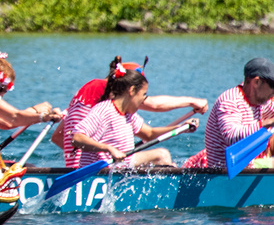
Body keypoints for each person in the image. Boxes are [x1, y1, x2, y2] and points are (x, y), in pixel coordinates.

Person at [52, 59, 206, 165]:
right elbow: (154, 105)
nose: (143, 99)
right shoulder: (103, 97)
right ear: (130, 89)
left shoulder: (125, 112)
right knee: (162, 156)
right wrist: (106, 150)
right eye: (143, 94)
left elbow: (150, 133)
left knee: (160, 160)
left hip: (106, 165)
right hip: (92, 171)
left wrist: (181, 128)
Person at [183, 58, 274, 170]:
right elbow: (231, 136)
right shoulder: (230, 100)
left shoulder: (261, 101)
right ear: (256, 82)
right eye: (272, 86)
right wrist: (266, 123)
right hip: (224, 173)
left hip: (246, 168)